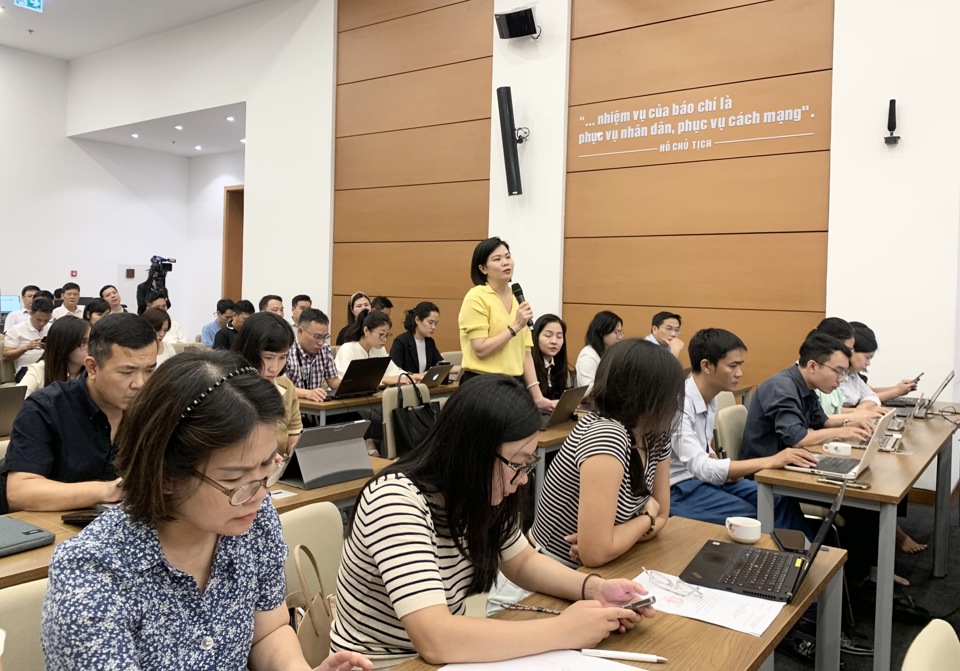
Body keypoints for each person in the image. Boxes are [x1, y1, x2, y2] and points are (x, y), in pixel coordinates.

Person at [40, 350, 372, 671]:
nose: (259, 493)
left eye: (267, 466)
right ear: (166, 474)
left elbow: (268, 632)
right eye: (236, 478)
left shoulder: (253, 521)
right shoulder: (94, 572)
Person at [331, 374, 650, 666]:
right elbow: (435, 639)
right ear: (474, 453)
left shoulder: (480, 493)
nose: (524, 479)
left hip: (448, 660)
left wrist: (594, 588)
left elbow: (523, 562)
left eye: (529, 462)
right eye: (518, 464)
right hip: (385, 664)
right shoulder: (396, 501)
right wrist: (565, 629)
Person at [740, 331, 882, 584]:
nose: (841, 380)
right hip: (769, 475)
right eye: (838, 372)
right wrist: (843, 430)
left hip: (793, 463)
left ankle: (854, 576)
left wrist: (851, 425)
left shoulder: (807, 385)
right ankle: (838, 581)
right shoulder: (781, 386)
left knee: (865, 500)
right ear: (813, 365)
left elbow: (822, 420)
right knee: (860, 506)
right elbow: (795, 437)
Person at [532, 340, 680, 570]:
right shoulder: (608, 435)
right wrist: (646, 518)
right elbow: (597, 552)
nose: (675, 403)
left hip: (604, 568)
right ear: (647, 396)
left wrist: (621, 535)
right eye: (671, 395)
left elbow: (663, 515)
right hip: (545, 573)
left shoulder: (656, 434)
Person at [1, 313, 157, 513]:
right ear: (92, 367)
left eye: (150, 370)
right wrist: (107, 490)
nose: (140, 384)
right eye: (127, 372)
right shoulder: (46, 408)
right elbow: (20, 493)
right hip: (56, 529)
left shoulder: (153, 408)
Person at [669, 328, 814, 531]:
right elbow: (699, 465)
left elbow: (703, 450)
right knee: (758, 515)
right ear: (706, 366)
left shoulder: (709, 398)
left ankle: (808, 559)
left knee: (780, 500)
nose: (740, 373)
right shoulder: (679, 404)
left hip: (703, 480)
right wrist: (770, 461)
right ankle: (787, 559)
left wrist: (722, 466)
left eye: (740, 365)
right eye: (733, 366)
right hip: (679, 489)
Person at [457, 237, 555, 412]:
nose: (505, 262)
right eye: (497, 259)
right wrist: (515, 326)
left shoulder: (519, 299)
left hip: (514, 385)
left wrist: (538, 397)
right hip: (483, 385)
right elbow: (480, 350)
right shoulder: (476, 297)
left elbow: (525, 354)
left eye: (508, 256)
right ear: (483, 268)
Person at [232, 312, 302, 456]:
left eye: (283, 357)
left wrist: (296, 452)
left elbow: (292, 435)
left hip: (278, 472)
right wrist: (264, 456)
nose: (274, 368)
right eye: (268, 357)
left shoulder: (286, 387)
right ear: (250, 351)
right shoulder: (229, 388)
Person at [813, 317, 884, 419]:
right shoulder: (820, 374)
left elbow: (872, 395)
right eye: (848, 349)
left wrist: (860, 412)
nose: (841, 379)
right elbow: (819, 418)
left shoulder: (845, 373)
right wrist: (858, 413)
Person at [18, 316, 90, 397]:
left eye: (91, 341)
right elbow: (15, 402)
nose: (91, 347)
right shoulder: (40, 370)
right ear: (64, 345)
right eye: (83, 343)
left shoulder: (93, 371)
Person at [849, 320, 920, 403]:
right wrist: (896, 391)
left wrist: (897, 388)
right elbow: (864, 398)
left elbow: (871, 393)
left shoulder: (853, 375)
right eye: (867, 357)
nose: (868, 363)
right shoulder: (842, 375)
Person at [335, 309, 411, 385]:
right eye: (381, 334)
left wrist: (412, 376)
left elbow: (393, 371)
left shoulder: (379, 349)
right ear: (366, 331)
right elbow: (347, 381)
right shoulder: (347, 349)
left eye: (386, 335)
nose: (384, 339)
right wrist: (384, 380)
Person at [286, 308, 340, 402]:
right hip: (292, 408)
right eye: (317, 337)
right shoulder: (286, 350)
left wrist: (355, 382)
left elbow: (333, 382)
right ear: (300, 331)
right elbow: (281, 388)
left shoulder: (325, 349)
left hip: (317, 409)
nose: (321, 342)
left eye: (325, 337)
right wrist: (307, 393)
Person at [3, 296, 54, 381]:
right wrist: (26, 347)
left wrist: (48, 349)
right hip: (26, 371)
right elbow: (6, 357)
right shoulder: (16, 330)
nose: (42, 323)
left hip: (49, 369)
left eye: (46, 320)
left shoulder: (52, 328)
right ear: (31, 313)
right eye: (38, 320)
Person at [575, 310, 623, 395]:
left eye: (620, 332)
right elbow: (589, 389)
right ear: (601, 332)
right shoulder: (588, 355)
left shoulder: (610, 353)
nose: (620, 337)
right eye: (616, 332)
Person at [390, 301, 444, 374]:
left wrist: (462, 368)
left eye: (436, 323)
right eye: (430, 322)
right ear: (417, 320)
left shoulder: (429, 342)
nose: (434, 327)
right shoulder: (401, 341)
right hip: (408, 384)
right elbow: (395, 372)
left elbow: (441, 365)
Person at [531, 314, 569, 401]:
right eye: (548, 335)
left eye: (559, 336)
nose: (554, 341)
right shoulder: (528, 367)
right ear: (536, 337)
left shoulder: (559, 366)